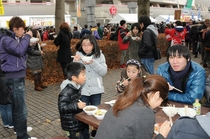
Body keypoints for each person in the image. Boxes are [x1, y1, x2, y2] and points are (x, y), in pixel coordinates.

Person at [95, 75, 171, 139]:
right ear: (156, 95)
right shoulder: (145, 114)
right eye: (162, 100)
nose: (160, 104)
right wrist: (162, 135)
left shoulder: (126, 100)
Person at [0, 16, 36, 139]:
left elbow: (22, 55)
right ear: (15, 29)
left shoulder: (14, 39)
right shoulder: (6, 39)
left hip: (17, 75)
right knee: (20, 109)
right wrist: (27, 37)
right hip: (14, 77)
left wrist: (29, 45)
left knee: (17, 107)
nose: (24, 32)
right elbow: (19, 51)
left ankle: (20, 130)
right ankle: (22, 135)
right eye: (22, 29)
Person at [73, 34, 107, 137]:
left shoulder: (99, 55)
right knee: (83, 117)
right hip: (82, 91)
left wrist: (92, 63)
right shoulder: (78, 55)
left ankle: (97, 133)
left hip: (96, 90)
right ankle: (85, 136)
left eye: (89, 44)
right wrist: (75, 61)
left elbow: (103, 71)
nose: (86, 47)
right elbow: (72, 74)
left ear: (93, 45)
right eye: (84, 45)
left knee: (96, 115)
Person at [58, 62, 89, 139]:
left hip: (76, 121)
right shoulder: (67, 91)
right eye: (83, 74)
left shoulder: (76, 87)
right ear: (74, 78)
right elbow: (62, 107)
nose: (85, 76)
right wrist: (77, 105)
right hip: (71, 125)